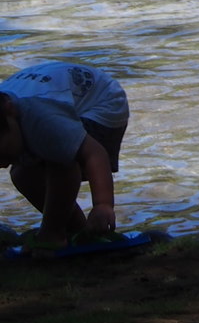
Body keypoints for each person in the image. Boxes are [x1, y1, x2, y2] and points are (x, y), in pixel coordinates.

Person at [0, 61, 129, 243]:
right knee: (22, 174)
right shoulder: (12, 119)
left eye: (2, 153)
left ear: (9, 110)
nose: (1, 164)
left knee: (61, 162)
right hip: (58, 94)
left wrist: (103, 204)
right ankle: (77, 231)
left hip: (102, 103)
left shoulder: (42, 118)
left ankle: (54, 232)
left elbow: (94, 153)